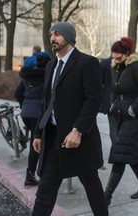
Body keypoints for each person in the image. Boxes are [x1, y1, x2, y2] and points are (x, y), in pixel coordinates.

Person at [31, 22, 108, 216]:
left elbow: (93, 100)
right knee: (45, 192)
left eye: (57, 34)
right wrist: (39, 133)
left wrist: (78, 130)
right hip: (53, 139)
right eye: (51, 34)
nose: (52, 38)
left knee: (92, 188)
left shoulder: (87, 62)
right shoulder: (51, 65)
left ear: (69, 37)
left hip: (79, 139)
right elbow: (46, 102)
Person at [104, 37, 138, 206]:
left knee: (119, 155)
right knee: (129, 154)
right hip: (120, 116)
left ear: (127, 54)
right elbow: (114, 90)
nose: (115, 60)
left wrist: (133, 109)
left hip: (136, 118)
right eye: (113, 57)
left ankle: (106, 196)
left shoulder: (136, 67)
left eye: (118, 57)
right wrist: (112, 104)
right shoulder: (116, 68)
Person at [14, 51, 51, 188]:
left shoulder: (26, 77)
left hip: (26, 114)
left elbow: (17, 93)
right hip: (39, 114)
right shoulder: (47, 76)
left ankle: (33, 175)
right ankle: (32, 177)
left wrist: (25, 105)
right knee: (39, 145)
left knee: (36, 144)